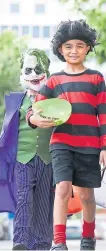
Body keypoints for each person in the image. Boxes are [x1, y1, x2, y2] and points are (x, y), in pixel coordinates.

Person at [26, 20, 106, 250]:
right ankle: (59, 243)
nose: (74, 50)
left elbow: (104, 115)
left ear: (88, 48)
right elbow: (34, 110)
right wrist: (33, 119)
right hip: (61, 143)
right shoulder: (54, 80)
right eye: (68, 46)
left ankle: (88, 238)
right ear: (60, 50)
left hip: (90, 145)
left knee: (86, 195)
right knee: (62, 188)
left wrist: (105, 147)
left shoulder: (96, 78)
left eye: (80, 45)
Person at [0, 49, 54, 250]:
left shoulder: (54, 100)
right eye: (28, 69)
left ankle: (40, 244)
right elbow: (7, 132)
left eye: (38, 69)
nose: (33, 74)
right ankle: (20, 241)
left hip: (46, 159)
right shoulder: (16, 100)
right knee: (24, 198)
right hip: (23, 158)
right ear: (22, 72)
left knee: (42, 202)